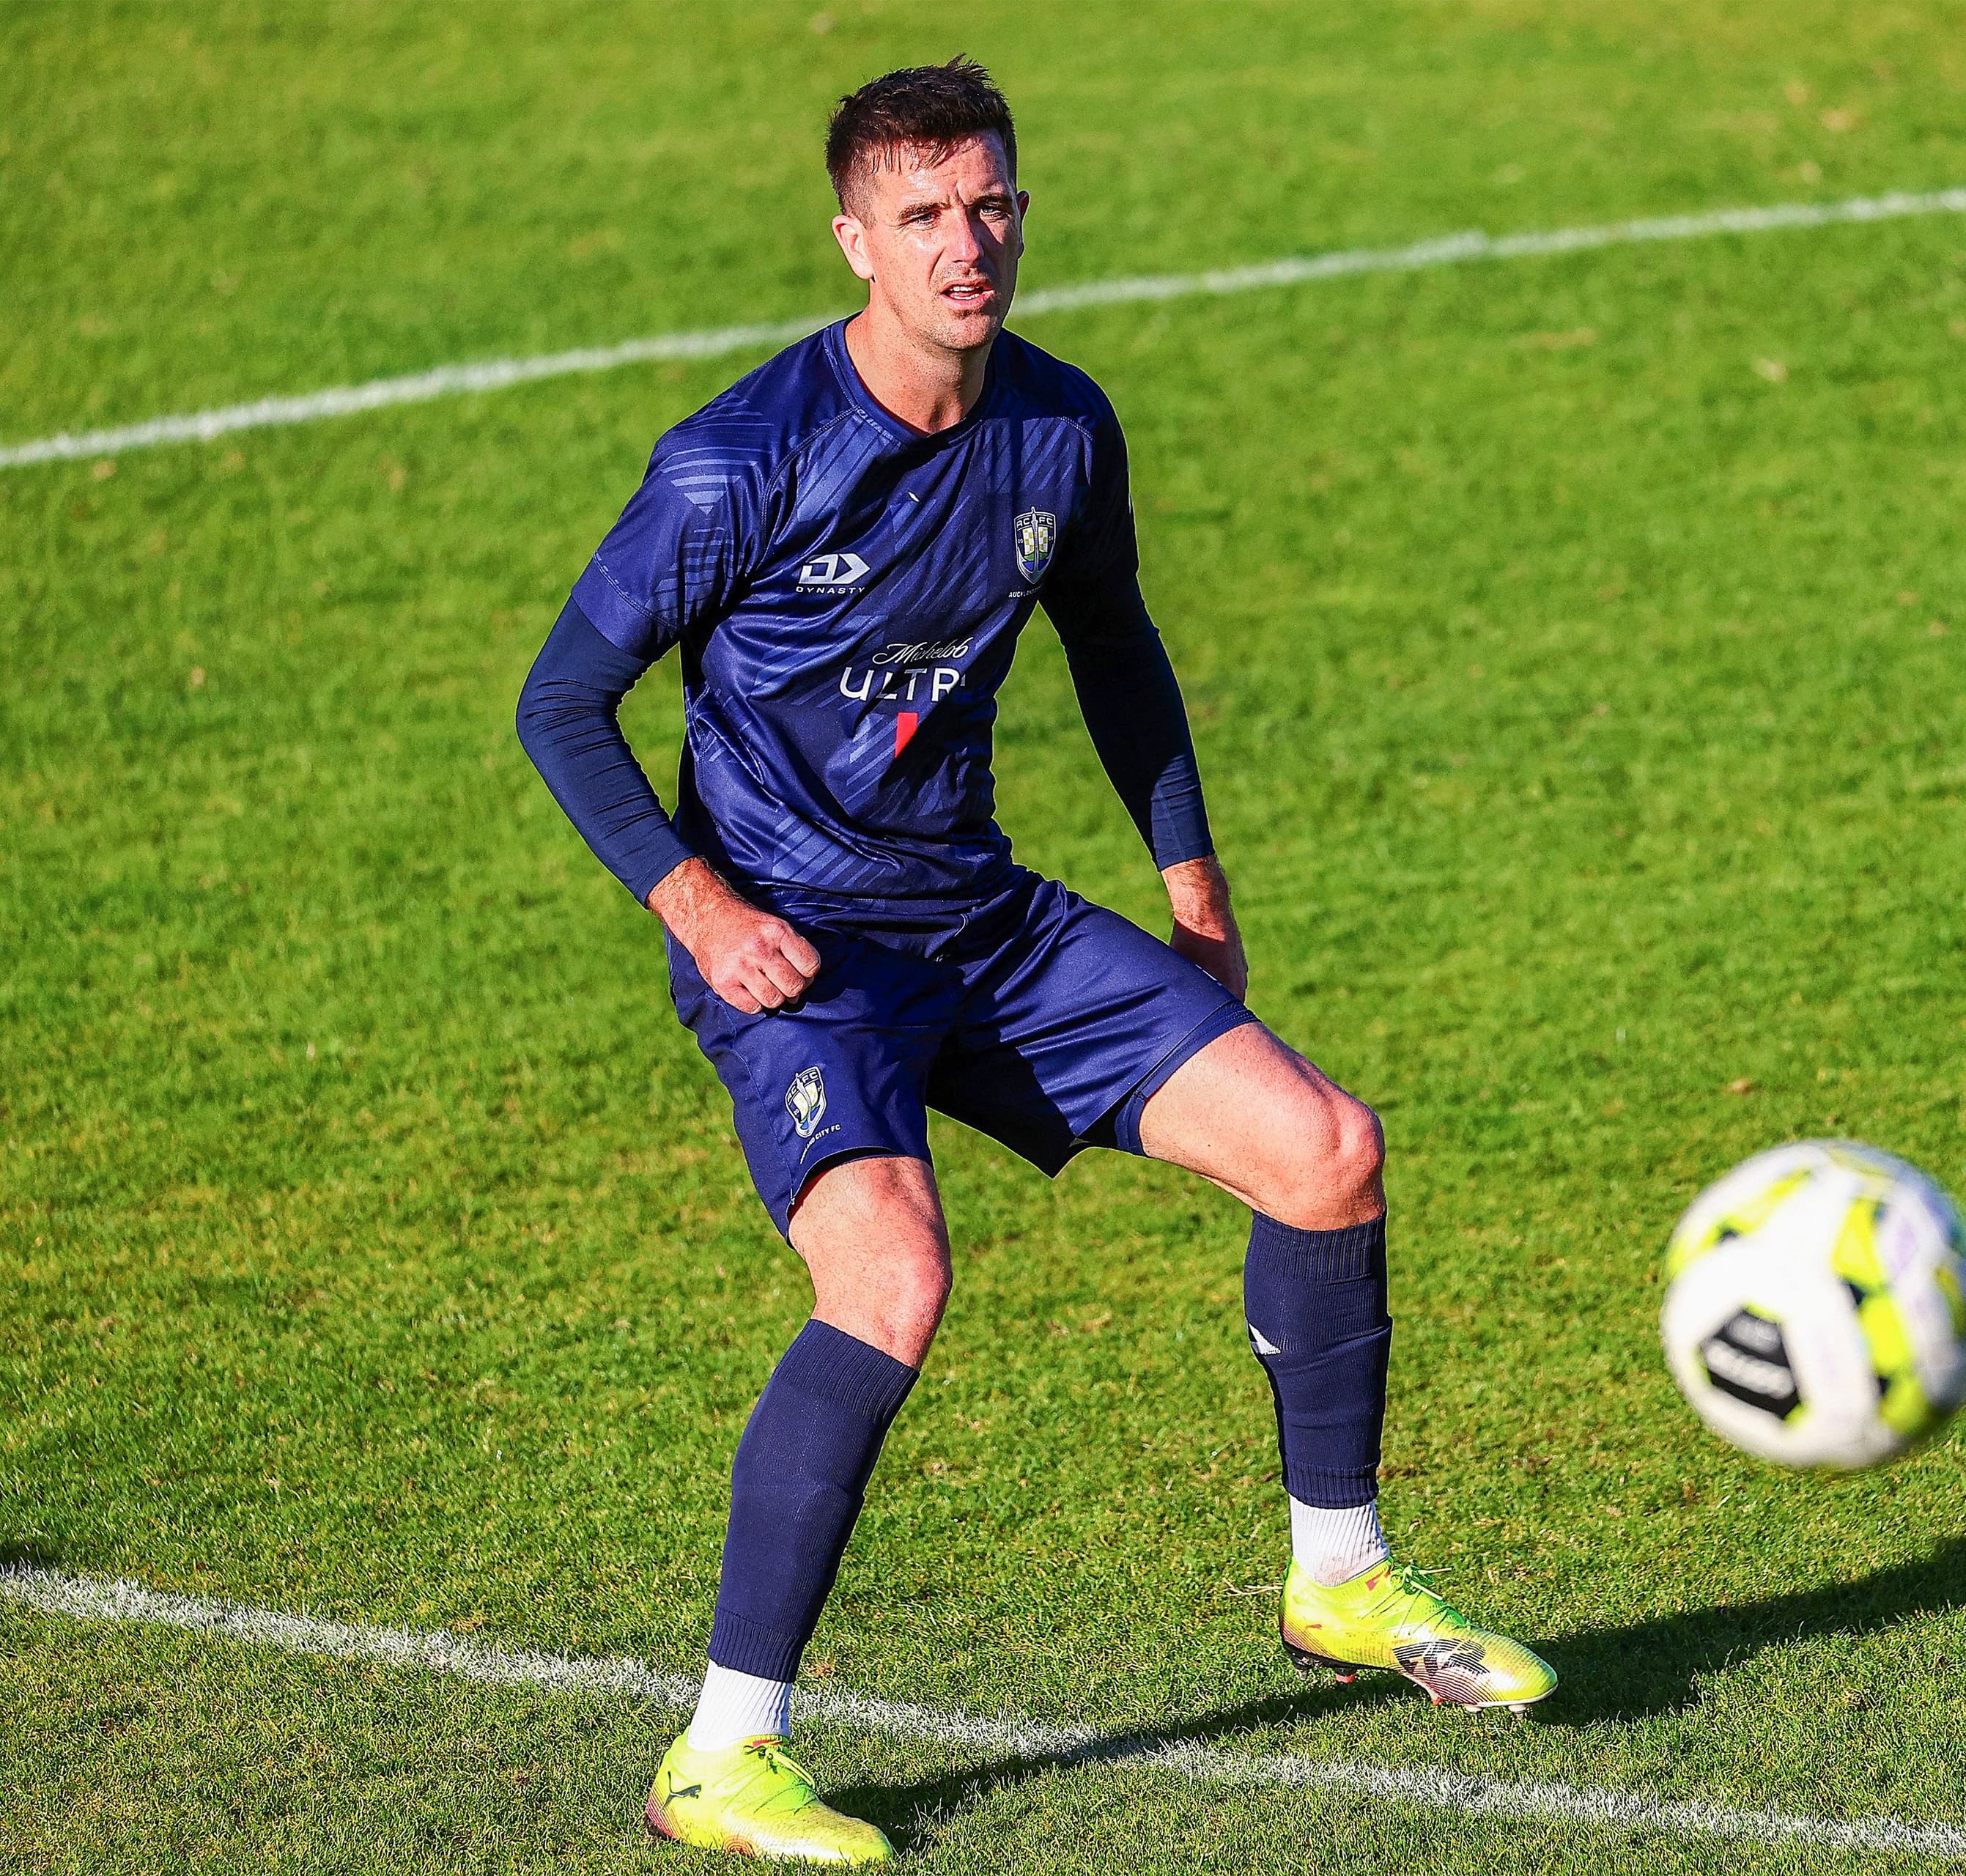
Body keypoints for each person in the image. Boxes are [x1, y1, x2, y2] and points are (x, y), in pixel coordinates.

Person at [515, 58, 1554, 1866]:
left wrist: (1194, 879)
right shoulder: (738, 463)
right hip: (801, 955)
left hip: (979, 920)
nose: (964, 244)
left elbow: (1117, 644)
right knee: (891, 1277)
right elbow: (561, 703)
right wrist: (698, 903)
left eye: (988, 204)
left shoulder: (1060, 429)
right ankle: (722, 1749)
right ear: (855, 239)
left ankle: (1344, 1579)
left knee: (1328, 1148)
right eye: (921, 214)